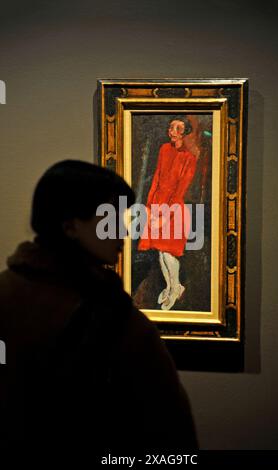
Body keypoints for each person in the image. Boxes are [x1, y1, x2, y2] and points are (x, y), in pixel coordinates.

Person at [0, 160, 198, 463]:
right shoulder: (113, 317)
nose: (123, 230)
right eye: (109, 218)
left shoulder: (8, 290)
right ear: (70, 225)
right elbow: (171, 434)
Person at [138, 117, 198, 310]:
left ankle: (174, 289)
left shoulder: (189, 158)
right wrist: (149, 205)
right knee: (160, 252)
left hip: (173, 209)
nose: (171, 130)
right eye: (171, 126)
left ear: (184, 132)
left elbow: (181, 189)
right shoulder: (164, 149)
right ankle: (173, 286)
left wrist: (165, 213)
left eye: (177, 128)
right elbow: (156, 177)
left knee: (168, 253)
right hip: (157, 204)